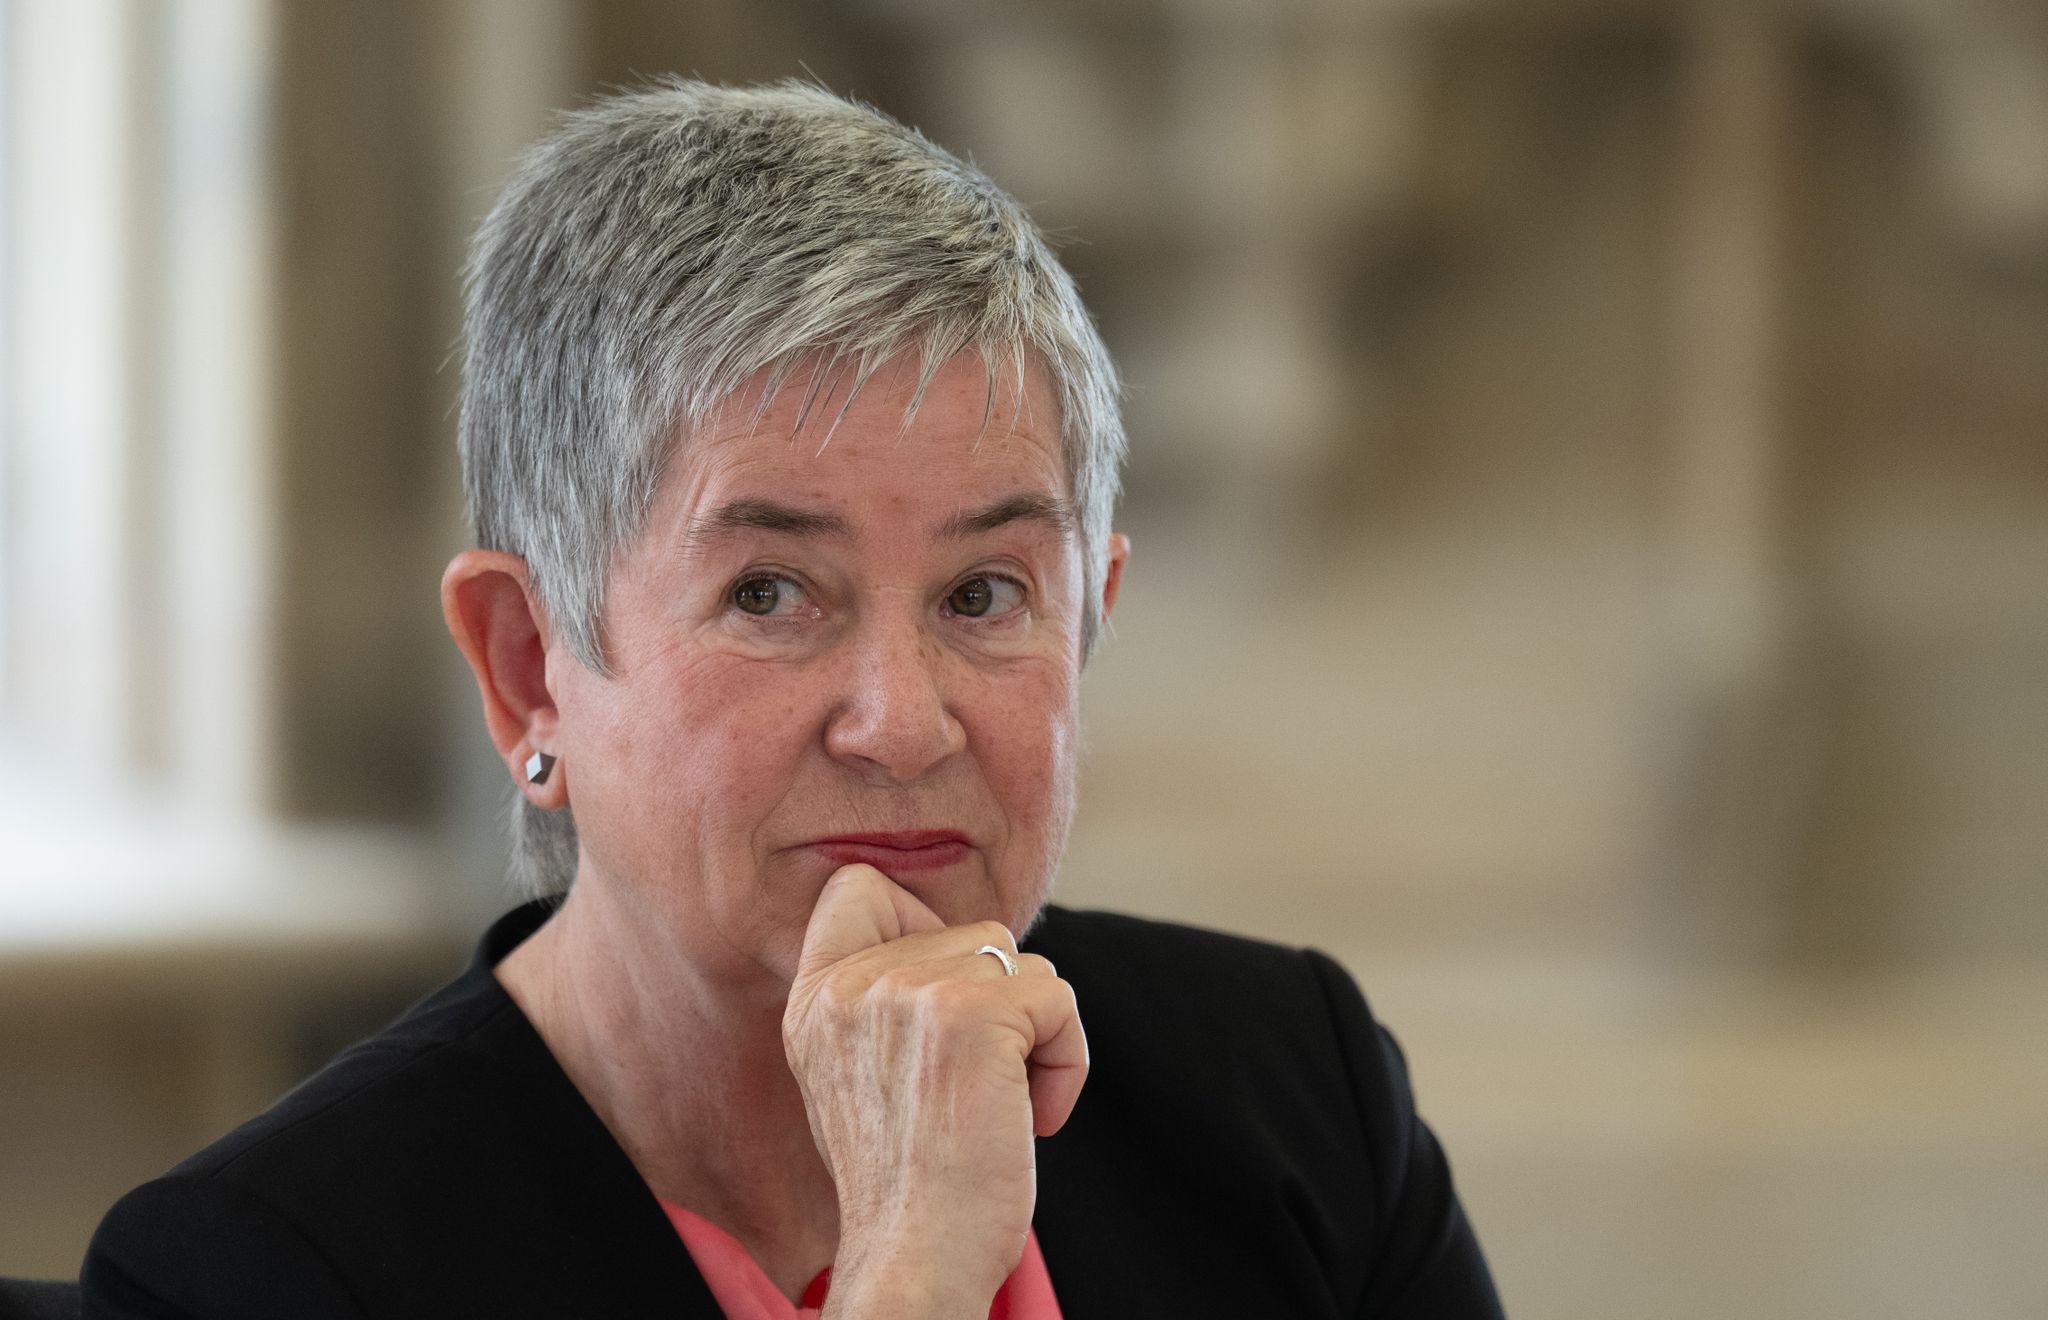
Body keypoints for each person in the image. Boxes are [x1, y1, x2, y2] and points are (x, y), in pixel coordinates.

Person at [81, 79, 1504, 1319]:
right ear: (528, 669)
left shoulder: (1296, 1101)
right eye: (768, 593)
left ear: (1089, 623)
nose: (903, 722)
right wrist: (912, 1271)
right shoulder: (258, 1274)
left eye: (983, 594)